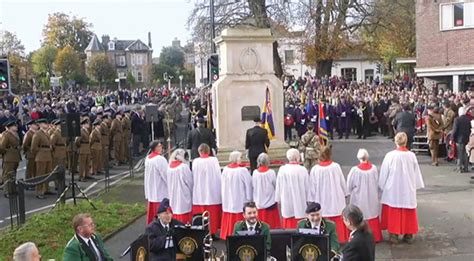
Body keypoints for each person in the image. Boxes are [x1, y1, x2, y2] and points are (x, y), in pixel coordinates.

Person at [379, 132, 424, 244]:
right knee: (407, 209)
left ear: (395, 141)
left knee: (393, 210)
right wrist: (416, 184)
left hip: (393, 188)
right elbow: (416, 172)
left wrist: (381, 185)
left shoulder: (390, 155)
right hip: (407, 187)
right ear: (406, 141)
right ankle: (408, 234)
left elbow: (384, 172)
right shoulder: (411, 155)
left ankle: (393, 234)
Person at [309, 145, 350, 243]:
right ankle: (339, 239)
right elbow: (341, 182)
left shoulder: (315, 169)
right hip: (335, 198)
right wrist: (345, 193)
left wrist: (311, 199)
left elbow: (312, 187)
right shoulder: (336, 167)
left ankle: (324, 240)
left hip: (321, 198)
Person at [346, 149, 382, 242]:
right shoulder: (373, 168)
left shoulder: (354, 170)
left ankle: (359, 237)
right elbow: (377, 182)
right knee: (371, 214)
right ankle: (375, 237)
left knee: (359, 214)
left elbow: (349, 185)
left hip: (359, 198)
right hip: (371, 196)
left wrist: (348, 192)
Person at [220, 151, 253, 239]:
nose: (242, 160)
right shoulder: (242, 170)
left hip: (228, 198)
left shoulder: (225, 170)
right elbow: (248, 185)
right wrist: (249, 198)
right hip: (239, 198)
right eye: (241, 157)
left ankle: (227, 233)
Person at [191, 143, 222, 235]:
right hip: (212, 190)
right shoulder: (214, 160)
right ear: (209, 151)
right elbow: (218, 175)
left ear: (199, 151)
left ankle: (202, 231)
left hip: (200, 190)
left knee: (201, 212)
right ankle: (212, 232)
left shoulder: (195, 161)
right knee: (212, 213)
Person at [275, 148, 309, 228]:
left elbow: (278, 185)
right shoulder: (302, 170)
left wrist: (278, 198)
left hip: (287, 200)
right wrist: (309, 199)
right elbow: (307, 187)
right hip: (300, 200)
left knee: (288, 221)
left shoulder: (282, 170)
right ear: (297, 157)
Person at [252, 153, 281, 228]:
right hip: (270, 200)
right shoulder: (271, 172)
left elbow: (253, 185)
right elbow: (275, 185)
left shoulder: (255, 173)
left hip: (259, 199)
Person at [144, 140, 169, 224]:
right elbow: (165, 174)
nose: (161, 147)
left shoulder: (148, 158)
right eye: (160, 146)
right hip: (160, 189)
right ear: (156, 148)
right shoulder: (160, 159)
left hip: (151, 188)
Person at [167, 148, 193, 224]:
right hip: (183, 194)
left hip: (173, 193)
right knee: (185, 215)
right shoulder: (183, 167)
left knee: (175, 211)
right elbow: (189, 181)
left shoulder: (169, 167)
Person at [31, 118, 53, 199]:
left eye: (46, 123)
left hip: (47, 155)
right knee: (40, 175)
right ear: (40, 125)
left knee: (47, 174)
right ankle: (39, 192)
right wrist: (39, 153)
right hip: (41, 156)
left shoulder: (46, 133)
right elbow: (33, 147)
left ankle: (46, 189)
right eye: (44, 123)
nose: (46, 125)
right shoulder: (37, 134)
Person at [0, 120, 21, 196]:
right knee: (7, 174)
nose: (16, 127)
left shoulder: (15, 134)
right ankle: (7, 191)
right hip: (9, 157)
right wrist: (8, 151)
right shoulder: (6, 135)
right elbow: (1, 147)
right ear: (10, 127)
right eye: (14, 126)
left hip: (15, 156)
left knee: (13, 174)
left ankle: (12, 189)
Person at [452, 107, 471, 173]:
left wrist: (452, 138)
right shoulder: (468, 119)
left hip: (459, 138)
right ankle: (466, 167)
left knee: (459, 153)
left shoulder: (457, 119)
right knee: (465, 153)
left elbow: (455, 130)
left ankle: (459, 168)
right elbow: (469, 129)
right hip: (466, 138)